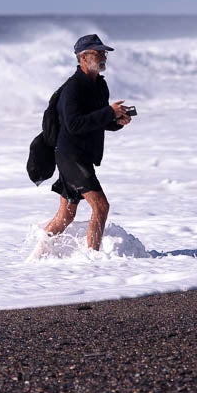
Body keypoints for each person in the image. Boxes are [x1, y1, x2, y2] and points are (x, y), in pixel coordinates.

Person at [41, 34, 133, 251]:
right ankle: (93, 258)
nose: (104, 57)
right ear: (83, 57)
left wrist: (117, 121)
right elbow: (73, 125)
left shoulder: (100, 86)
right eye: (98, 53)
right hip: (70, 156)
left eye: (104, 53)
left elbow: (96, 121)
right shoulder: (73, 88)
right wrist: (109, 112)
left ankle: (37, 256)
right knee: (101, 206)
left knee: (67, 214)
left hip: (82, 155)